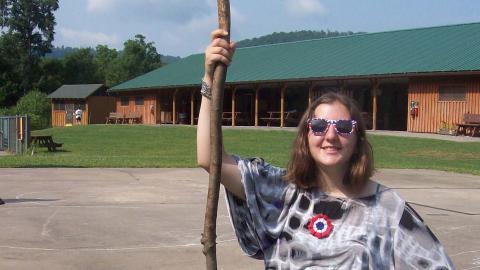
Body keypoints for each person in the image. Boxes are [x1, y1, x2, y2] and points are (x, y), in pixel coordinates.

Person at [197, 29, 454, 269]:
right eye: (319, 126)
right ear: (306, 136)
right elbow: (209, 158)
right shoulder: (281, 191)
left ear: (357, 139)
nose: (331, 135)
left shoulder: (387, 208)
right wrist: (210, 79)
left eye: (343, 127)